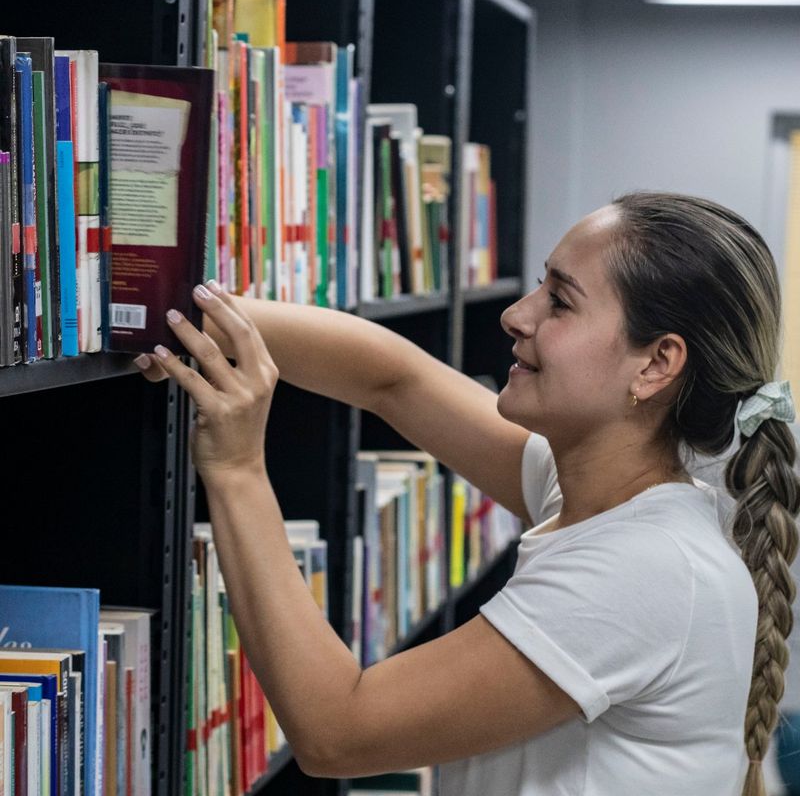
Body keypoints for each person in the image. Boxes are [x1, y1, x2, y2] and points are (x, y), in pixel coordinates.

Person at [134, 191, 798, 795]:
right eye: (540, 284)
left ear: (656, 365)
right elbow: (392, 380)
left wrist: (236, 466)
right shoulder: (596, 488)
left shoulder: (646, 569)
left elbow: (337, 729)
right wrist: (164, 315)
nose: (517, 314)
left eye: (560, 302)